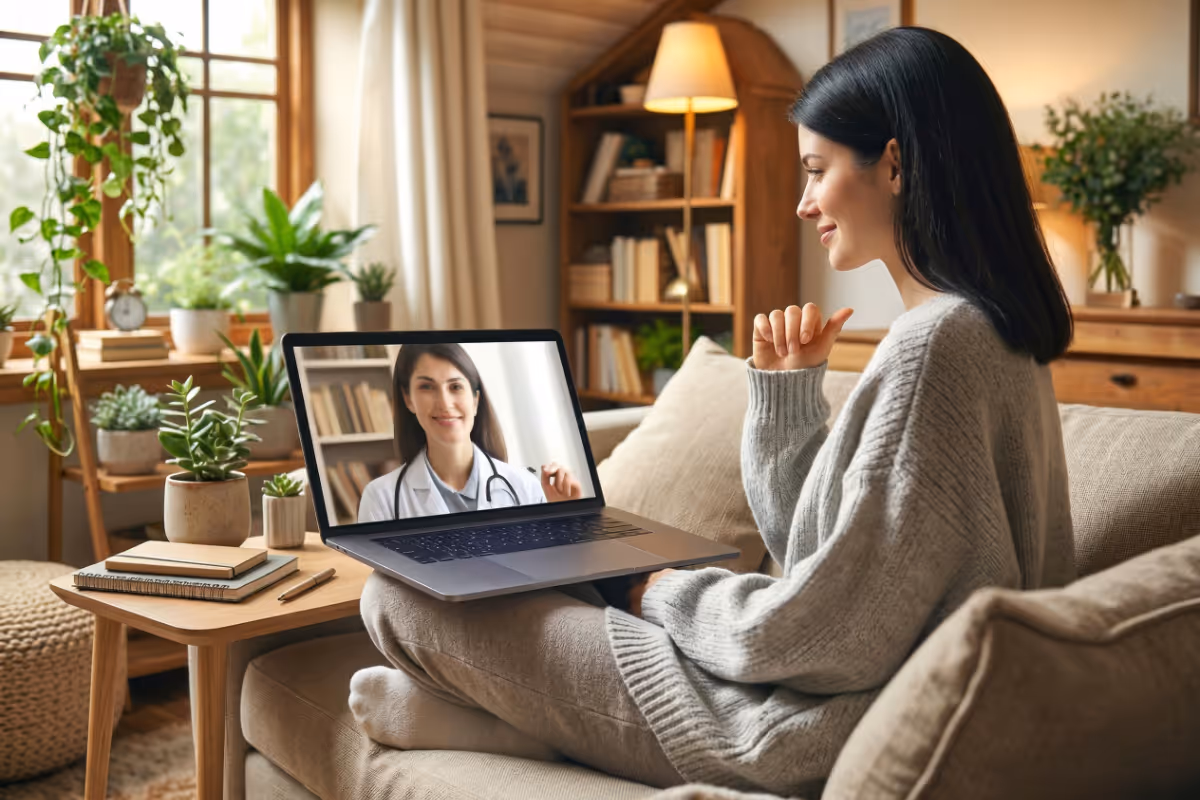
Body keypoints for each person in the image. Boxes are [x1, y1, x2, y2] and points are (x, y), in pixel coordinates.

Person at [348, 27, 1076, 796]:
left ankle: (532, 726)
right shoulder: (995, 333)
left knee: (398, 595)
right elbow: (822, 562)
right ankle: (528, 721)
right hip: (812, 696)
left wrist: (654, 590)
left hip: (784, 726)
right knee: (510, 576)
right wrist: (789, 398)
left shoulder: (936, 346)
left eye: (818, 170)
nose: (802, 204)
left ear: (894, 163)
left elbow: (822, 636)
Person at [357, 343, 582, 523]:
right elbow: (376, 581)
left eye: (455, 387)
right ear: (408, 399)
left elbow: (551, 572)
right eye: (427, 387)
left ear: (475, 400)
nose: (445, 403)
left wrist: (567, 519)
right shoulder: (381, 499)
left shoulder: (525, 487)